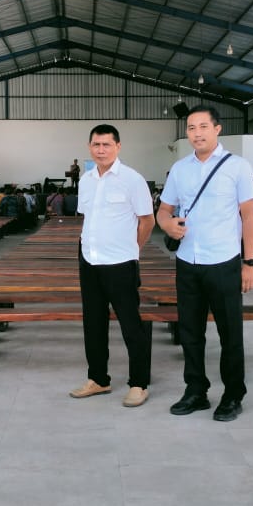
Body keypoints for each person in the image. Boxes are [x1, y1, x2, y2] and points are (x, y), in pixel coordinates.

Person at [157, 105, 253, 422]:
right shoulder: (180, 169)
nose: (196, 133)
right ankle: (196, 390)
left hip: (223, 261)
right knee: (190, 331)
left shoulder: (238, 167)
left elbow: (249, 217)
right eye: (191, 128)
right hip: (187, 261)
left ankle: (233, 394)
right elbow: (163, 210)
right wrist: (167, 225)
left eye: (203, 126)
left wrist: (249, 262)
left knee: (230, 333)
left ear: (217, 129)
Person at [69, 124, 155, 407]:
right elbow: (88, 218)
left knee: (131, 325)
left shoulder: (132, 179)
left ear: (118, 146)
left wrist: (132, 249)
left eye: (107, 144)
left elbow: (147, 221)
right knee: (93, 324)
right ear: (89, 147)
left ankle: (139, 383)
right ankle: (98, 379)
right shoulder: (86, 180)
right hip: (89, 261)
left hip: (120, 263)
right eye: (96, 144)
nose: (101, 150)